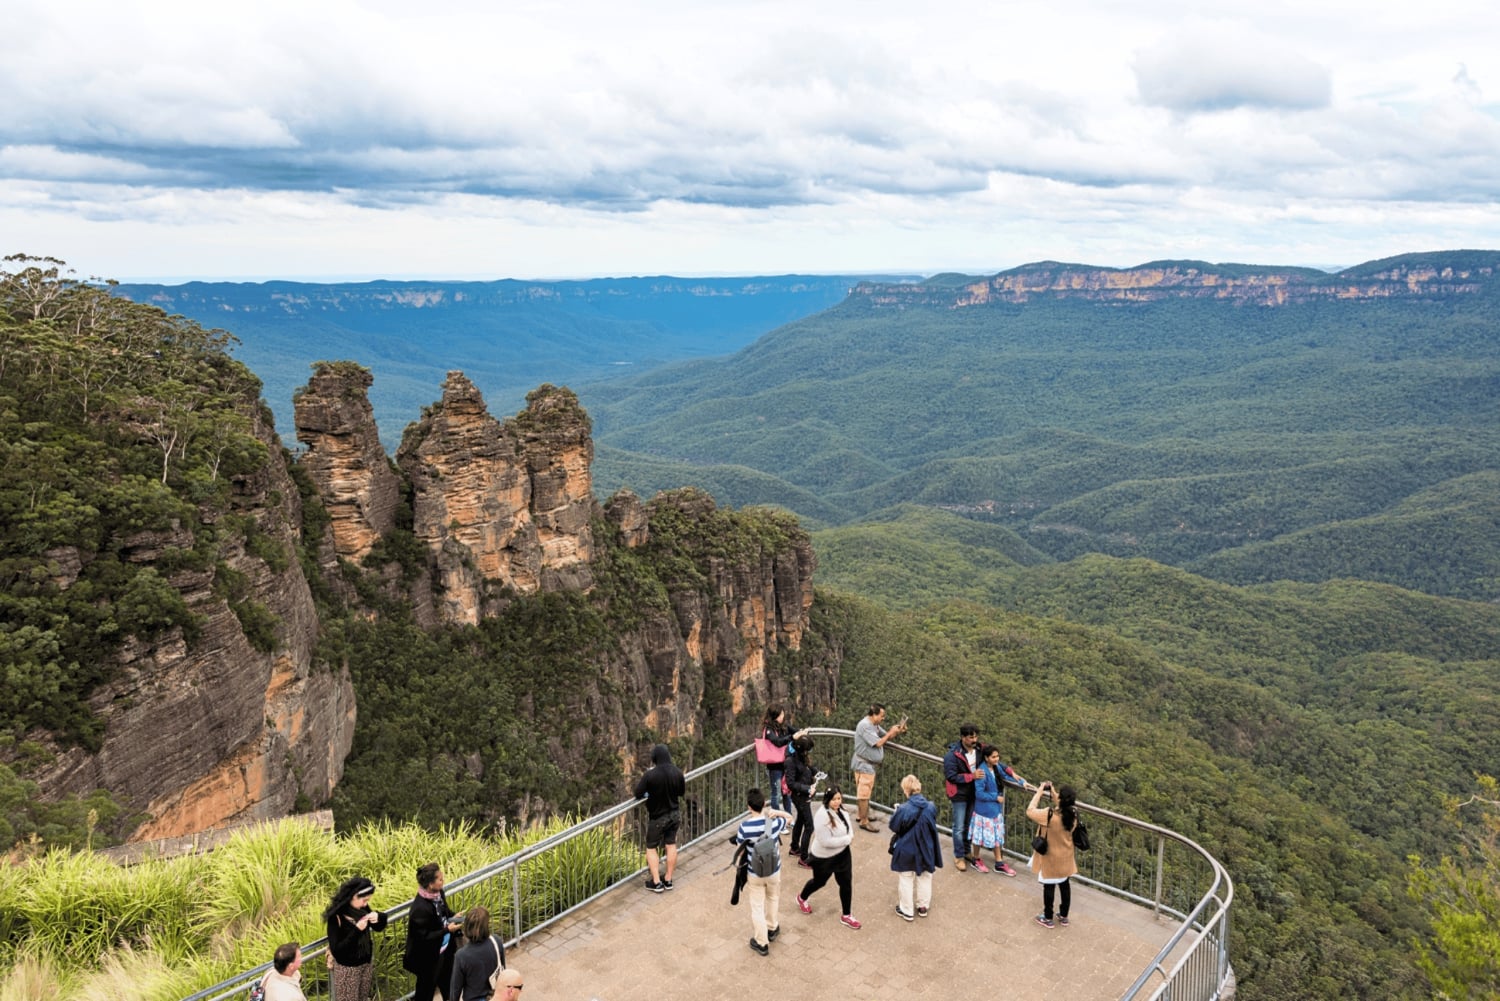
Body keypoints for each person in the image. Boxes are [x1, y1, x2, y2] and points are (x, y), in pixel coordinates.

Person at [735, 787, 794, 956]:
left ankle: (761, 942)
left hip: (755, 873)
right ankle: (772, 927)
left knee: (757, 906)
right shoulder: (772, 824)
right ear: (763, 804)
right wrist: (776, 812)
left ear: (749, 807)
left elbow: (740, 847)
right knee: (773, 898)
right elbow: (790, 818)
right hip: (774, 870)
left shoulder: (744, 827)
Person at [795, 785, 860, 929]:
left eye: (839, 798)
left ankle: (847, 915)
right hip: (824, 857)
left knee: (846, 883)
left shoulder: (842, 811)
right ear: (827, 800)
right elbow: (825, 841)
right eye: (834, 799)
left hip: (843, 854)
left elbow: (848, 828)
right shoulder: (821, 816)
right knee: (819, 882)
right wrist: (846, 840)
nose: (837, 802)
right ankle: (802, 897)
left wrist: (849, 837)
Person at [404, 862, 463, 1001]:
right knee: (425, 992)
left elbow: (445, 912)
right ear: (431, 884)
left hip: (445, 951)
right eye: (440, 879)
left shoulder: (439, 893)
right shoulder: (419, 909)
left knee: (449, 987)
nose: (443, 881)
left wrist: (453, 917)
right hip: (428, 959)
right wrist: (446, 930)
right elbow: (423, 937)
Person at [323, 875, 388, 1001]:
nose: (366, 904)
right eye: (364, 900)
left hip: (365, 964)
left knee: (363, 997)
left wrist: (379, 917)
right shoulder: (336, 917)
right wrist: (357, 930)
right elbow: (337, 950)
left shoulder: (362, 909)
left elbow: (378, 927)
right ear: (354, 896)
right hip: (347, 970)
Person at [633, 742, 686, 892]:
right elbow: (681, 792)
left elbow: (638, 793)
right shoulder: (677, 772)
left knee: (651, 848)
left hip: (658, 817)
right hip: (674, 814)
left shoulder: (650, 775)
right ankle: (668, 879)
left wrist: (649, 794)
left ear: (654, 758)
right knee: (671, 844)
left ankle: (656, 882)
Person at [888, 774, 942, 920]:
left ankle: (907, 910)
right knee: (925, 876)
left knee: (906, 878)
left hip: (907, 847)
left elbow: (894, 826)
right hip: (926, 847)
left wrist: (896, 812)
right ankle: (923, 906)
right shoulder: (931, 807)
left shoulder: (903, 809)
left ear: (906, 790)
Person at [1028, 781, 1080, 928]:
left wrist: (1040, 791)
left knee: (1049, 886)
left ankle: (1048, 917)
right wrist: (1052, 790)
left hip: (1050, 857)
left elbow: (1030, 810)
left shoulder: (1049, 815)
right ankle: (1064, 916)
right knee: (1064, 885)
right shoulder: (1073, 814)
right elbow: (1063, 804)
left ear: (1061, 800)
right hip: (1066, 856)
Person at [969, 744, 1026, 877]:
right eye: (993, 757)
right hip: (984, 811)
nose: (996, 759)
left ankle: (999, 863)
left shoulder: (996, 767)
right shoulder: (982, 771)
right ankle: (976, 859)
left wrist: (1022, 782)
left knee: (996, 836)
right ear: (986, 758)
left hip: (994, 810)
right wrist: (995, 797)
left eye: (997, 756)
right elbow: (979, 793)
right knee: (978, 836)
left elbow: (1005, 776)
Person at [851, 703, 907, 833]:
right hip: (864, 764)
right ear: (874, 715)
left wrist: (897, 731)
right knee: (863, 794)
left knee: (864, 792)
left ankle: (861, 815)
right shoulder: (865, 726)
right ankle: (864, 821)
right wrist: (890, 733)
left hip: (867, 764)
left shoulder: (874, 725)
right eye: (882, 715)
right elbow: (879, 743)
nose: (883, 718)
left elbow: (885, 736)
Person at [943, 722, 983, 871]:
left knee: (968, 825)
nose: (974, 740)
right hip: (959, 794)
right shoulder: (952, 755)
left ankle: (966, 851)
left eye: (976, 737)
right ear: (962, 737)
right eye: (971, 737)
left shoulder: (979, 750)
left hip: (973, 793)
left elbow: (994, 759)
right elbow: (951, 776)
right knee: (959, 827)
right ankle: (959, 856)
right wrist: (972, 776)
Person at [449, 905, 505, 1001]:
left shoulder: (461, 955)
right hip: (495, 996)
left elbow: (455, 990)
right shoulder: (496, 941)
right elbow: (503, 969)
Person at [758, 706, 806, 811]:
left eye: (782, 714)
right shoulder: (769, 729)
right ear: (774, 716)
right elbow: (777, 742)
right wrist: (792, 737)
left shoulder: (784, 726)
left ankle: (788, 816)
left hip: (786, 764)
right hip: (774, 767)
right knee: (776, 793)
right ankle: (776, 816)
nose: (782, 717)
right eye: (779, 715)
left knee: (786, 792)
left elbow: (795, 731)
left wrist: (802, 732)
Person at [785, 735, 818, 863]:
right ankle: (804, 858)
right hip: (800, 797)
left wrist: (816, 772)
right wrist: (807, 789)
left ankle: (794, 847)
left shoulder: (801, 757)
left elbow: (806, 768)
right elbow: (790, 783)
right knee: (809, 826)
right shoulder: (790, 761)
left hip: (803, 795)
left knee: (800, 820)